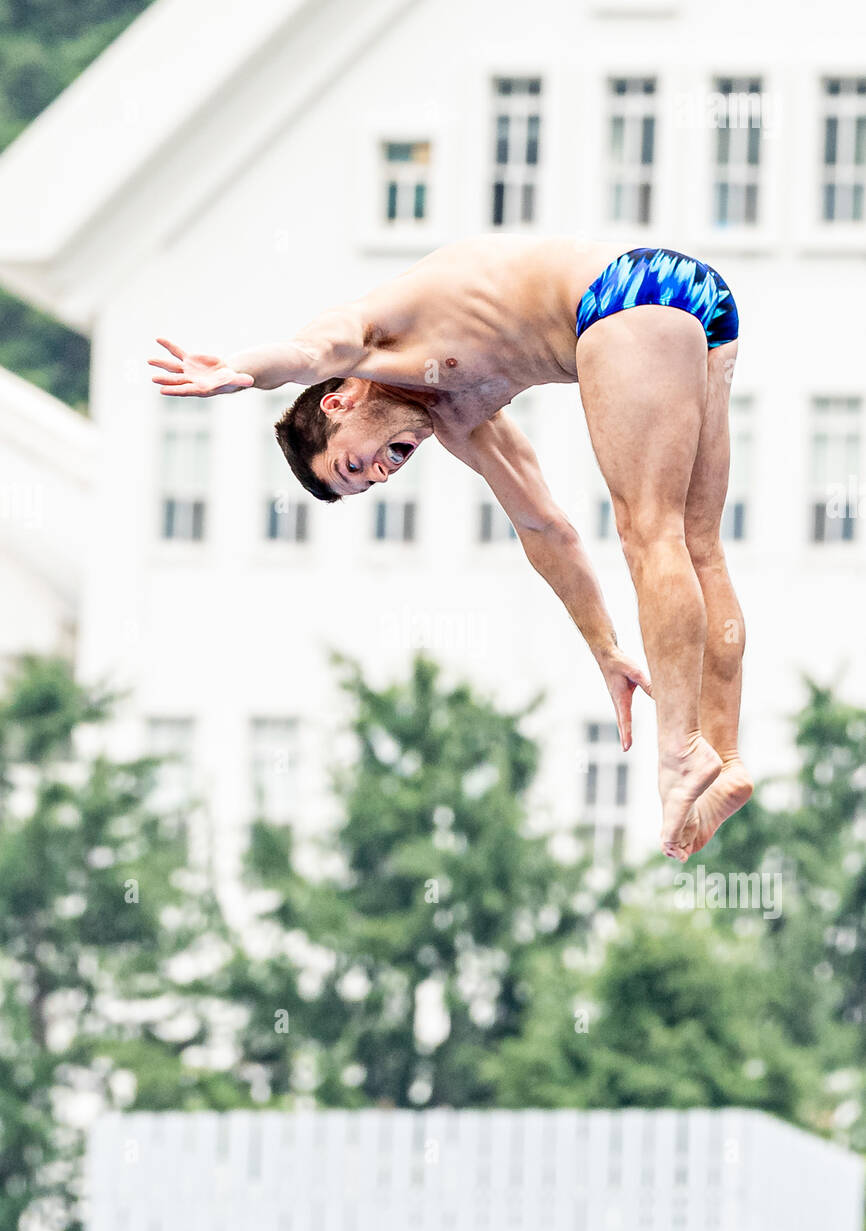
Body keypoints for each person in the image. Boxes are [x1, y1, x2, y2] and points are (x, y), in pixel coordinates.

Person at [149, 235, 753, 861]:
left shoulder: (367, 339)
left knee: (648, 531)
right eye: (369, 482)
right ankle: (725, 757)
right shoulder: (462, 417)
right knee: (697, 543)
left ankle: (679, 750)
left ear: (340, 401)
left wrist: (238, 372)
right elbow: (547, 530)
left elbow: (304, 354)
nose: (380, 474)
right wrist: (605, 649)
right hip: (698, 302)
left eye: (355, 463)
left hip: (625, 297)